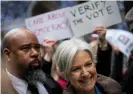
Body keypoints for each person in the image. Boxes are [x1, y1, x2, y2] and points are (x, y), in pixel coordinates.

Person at [2, 28, 62, 94]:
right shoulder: (3, 88)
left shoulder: (49, 82)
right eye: (26, 48)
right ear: (7, 54)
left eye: (37, 47)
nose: (35, 53)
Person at [53, 38, 121, 94]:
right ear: (66, 74)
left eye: (88, 64)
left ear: (94, 63)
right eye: (76, 69)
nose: (85, 73)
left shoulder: (113, 88)